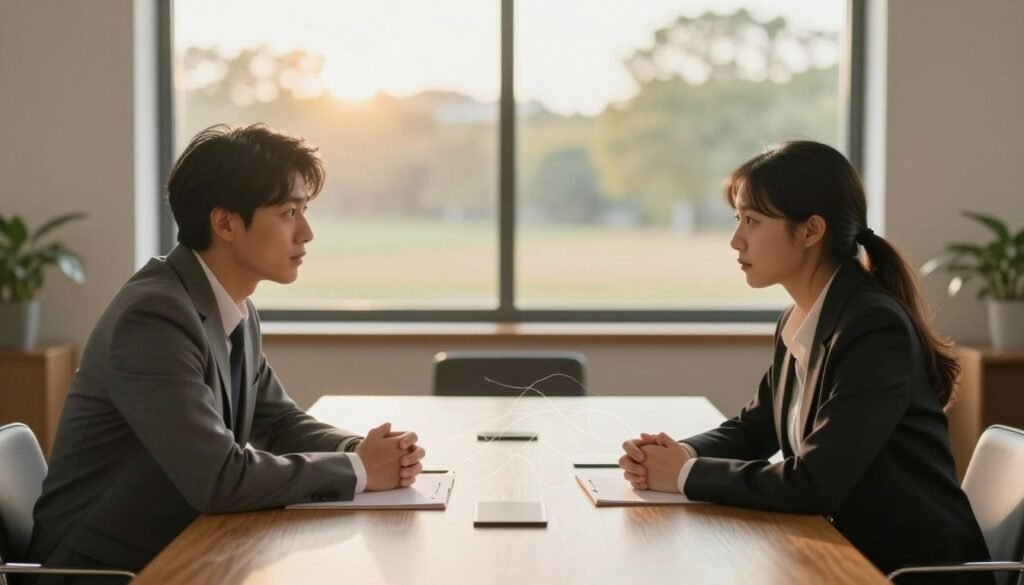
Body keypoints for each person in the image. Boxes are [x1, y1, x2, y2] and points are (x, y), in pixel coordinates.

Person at [26, 124, 425, 582]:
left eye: (305, 211)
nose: (307, 233)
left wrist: (363, 451)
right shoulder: (154, 317)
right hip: (105, 571)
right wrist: (358, 470)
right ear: (226, 223)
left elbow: (277, 421)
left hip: (179, 547)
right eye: (288, 212)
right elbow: (218, 478)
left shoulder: (232, 305)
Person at [618, 141, 992, 584]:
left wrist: (684, 475)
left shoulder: (873, 327)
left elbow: (815, 482)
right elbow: (755, 429)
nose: (737, 239)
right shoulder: (803, 316)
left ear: (811, 230)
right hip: (842, 552)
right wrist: (680, 453)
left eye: (752, 221)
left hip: (905, 572)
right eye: (738, 219)